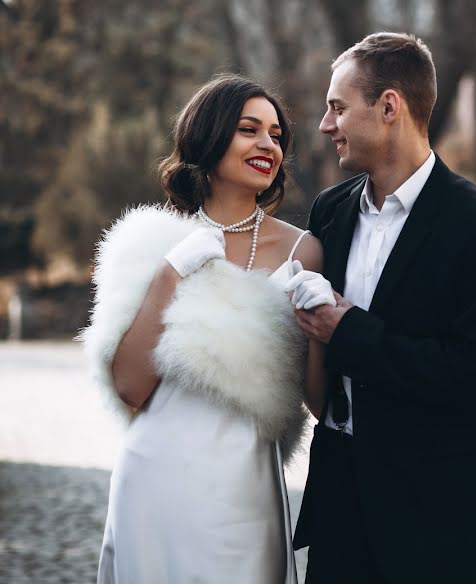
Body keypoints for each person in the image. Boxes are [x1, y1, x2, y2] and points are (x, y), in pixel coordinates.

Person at [285, 32, 476, 584]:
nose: (326, 125)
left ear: (389, 106)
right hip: (340, 511)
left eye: (338, 108)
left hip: (434, 526)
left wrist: (347, 331)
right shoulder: (330, 213)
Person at [81, 74, 330, 583]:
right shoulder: (151, 243)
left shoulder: (304, 251)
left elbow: (321, 405)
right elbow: (129, 387)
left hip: (247, 490)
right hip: (155, 481)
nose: (267, 145)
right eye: (248, 130)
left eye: (276, 135)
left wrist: (324, 326)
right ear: (211, 136)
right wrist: (169, 275)